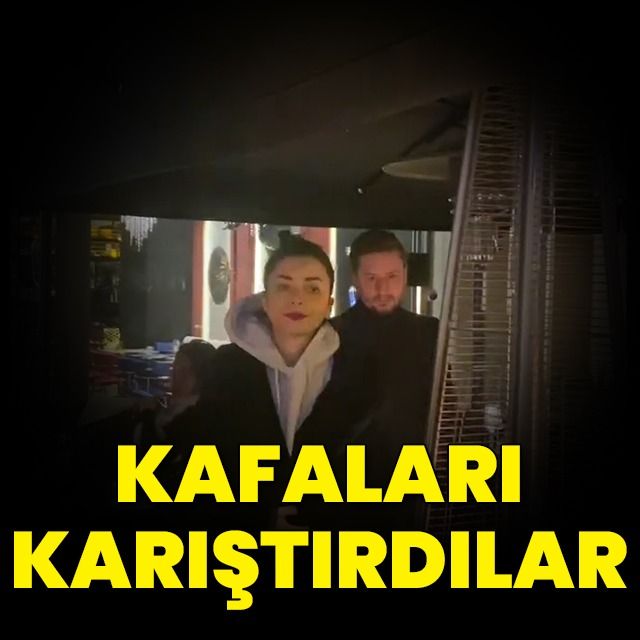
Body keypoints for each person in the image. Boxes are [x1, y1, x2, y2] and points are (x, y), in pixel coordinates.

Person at [167, 233, 376, 531]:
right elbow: (203, 470)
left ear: (329, 303)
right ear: (265, 300)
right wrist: (259, 516)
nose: (297, 298)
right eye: (284, 286)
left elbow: (373, 471)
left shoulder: (356, 371)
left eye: (313, 288)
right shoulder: (229, 368)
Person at [331, 229, 439, 527]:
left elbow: (447, 408)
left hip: (415, 483)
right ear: (355, 279)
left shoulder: (429, 332)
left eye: (392, 276)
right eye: (371, 278)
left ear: (405, 274)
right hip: (344, 486)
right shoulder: (330, 335)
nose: (383, 288)